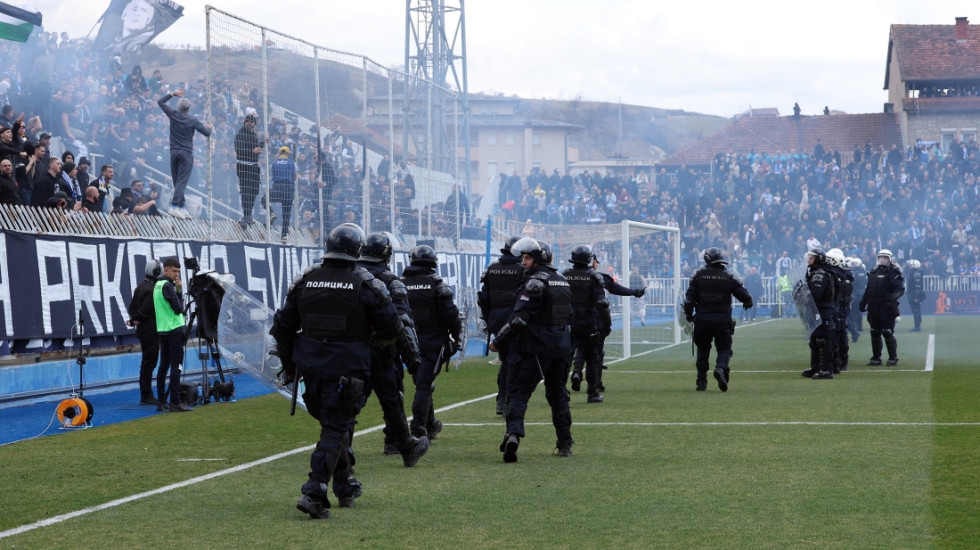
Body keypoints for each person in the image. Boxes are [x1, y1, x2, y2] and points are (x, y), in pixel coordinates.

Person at [270, 224, 402, 519]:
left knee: (334, 426)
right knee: (334, 428)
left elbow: (282, 328)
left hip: (311, 371)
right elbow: (393, 328)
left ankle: (344, 484)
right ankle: (314, 491)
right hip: (348, 369)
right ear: (357, 250)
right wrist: (368, 347)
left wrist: (290, 367)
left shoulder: (306, 280)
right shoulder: (365, 284)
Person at [489, 238, 573, 461]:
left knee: (519, 392)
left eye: (527, 258)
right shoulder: (562, 280)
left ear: (538, 260)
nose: (523, 262)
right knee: (558, 394)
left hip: (535, 347)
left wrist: (498, 341)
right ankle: (565, 442)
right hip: (561, 347)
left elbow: (519, 319)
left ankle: (513, 435)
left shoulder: (535, 282)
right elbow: (569, 315)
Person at [356, 231, 430, 466]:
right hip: (382, 350)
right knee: (392, 399)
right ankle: (400, 445)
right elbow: (403, 324)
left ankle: (341, 450)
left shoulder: (349, 276)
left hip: (351, 352)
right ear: (387, 255)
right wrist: (414, 360)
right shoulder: (390, 281)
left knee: (350, 402)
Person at [401, 244, 462, 440]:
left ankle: (430, 423)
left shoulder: (400, 284)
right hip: (432, 342)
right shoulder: (437, 285)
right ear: (433, 263)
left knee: (422, 381)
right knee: (424, 384)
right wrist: (457, 337)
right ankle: (418, 428)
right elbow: (451, 314)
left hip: (408, 342)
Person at [682, 247, 753, 391]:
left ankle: (701, 382)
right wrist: (748, 303)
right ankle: (720, 368)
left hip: (702, 319)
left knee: (703, 349)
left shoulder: (698, 276)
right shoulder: (728, 276)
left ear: (706, 259)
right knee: (724, 348)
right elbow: (745, 295)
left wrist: (688, 316)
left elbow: (689, 300)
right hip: (722, 320)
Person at [477, 235, 524, 415]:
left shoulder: (491, 269)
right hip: (515, 320)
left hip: (496, 320)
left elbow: (483, 299)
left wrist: (490, 321)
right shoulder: (523, 270)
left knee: (505, 360)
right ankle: (507, 401)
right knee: (513, 361)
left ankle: (501, 400)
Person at [562, 244, 611, 403]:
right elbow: (602, 303)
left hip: (569, 322)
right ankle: (592, 392)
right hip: (588, 322)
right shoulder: (593, 276)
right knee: (592, 358)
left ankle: (562, 391)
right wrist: (607, 324)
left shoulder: (564, 275)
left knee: (565, 358)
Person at [158, 87, 212, 219]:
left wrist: (172, 94)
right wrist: (210, 128)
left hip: (174, 152)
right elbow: (207, 133)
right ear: (189, 108)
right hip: (186, 153)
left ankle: (181, 208)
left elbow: (160, 102)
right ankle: (174, 206)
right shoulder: (193, 120)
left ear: (179, 107)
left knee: (177, 181)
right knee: (182, 182)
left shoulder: (173, 114)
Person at [153, 257, 191, 411]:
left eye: (178, 272)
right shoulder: (168, 286)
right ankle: (175, 401)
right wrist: (179, 291)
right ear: (166, 270)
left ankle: (161, 401)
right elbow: (178, 309)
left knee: (163, 366)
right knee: (176, 366)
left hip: (163, 330)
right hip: (174, 330)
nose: (177, 275)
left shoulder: (157, 285)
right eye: (174, 271)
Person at [859, 250, 905, 366]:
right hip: (873, 307)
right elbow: (868, 290)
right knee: (874, 332)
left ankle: (893, 358)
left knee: (887, 332)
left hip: (886, 307)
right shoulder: (873, 271)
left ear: (890, 259)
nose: (882, 259)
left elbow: (900, 289)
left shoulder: (894, 271)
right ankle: (876, 358)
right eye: (880, 257)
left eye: (885, 257)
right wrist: (863, 303)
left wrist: (892, 298)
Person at [129, 259, 161, 405]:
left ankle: (146, 393)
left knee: (147, 363)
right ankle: (146, 394)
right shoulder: (152, 289)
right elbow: (146, 309)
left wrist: (135, 319)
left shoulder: (141, 286)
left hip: (144, 331)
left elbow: (131, 308)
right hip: (150, 331)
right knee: (149, 363)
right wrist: (138, 318)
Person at [801, 249, 838, 380]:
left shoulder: (820, 274)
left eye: (811, 258)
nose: (809, 260)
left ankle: (826, 370)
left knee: (823, 339)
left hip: (822, 310)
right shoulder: (816, 272)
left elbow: (816, 294)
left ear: (818, 259)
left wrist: (804, 294)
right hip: (817, 310)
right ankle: (816, 367)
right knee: (815, 339)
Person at [234, 113, 264, 227]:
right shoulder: (240, 135)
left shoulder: (254, 134)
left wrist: (263, 143)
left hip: (254, 167)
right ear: (244, 122)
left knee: (254, 191)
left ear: (254, 124)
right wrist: (252, 151)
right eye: (247, 121)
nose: (249, 123)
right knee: (246, 191)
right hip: (243, 166)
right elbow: (239, 151)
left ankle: (249, 215)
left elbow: (256, 148)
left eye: (251, 122)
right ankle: (246, 215)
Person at [826, 248, 853, 372]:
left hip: (836, 308)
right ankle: (843, 360)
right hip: (843, 308)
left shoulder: (835, 276)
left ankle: (837, 361)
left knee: (836, 334)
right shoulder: (846, 275)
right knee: (842, 333)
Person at [270, 146, 296, 242]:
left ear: (279, 153)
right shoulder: (292, 163)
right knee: (286, 213)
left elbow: (273, 175)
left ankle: (271, 213)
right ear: (288, 154)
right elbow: (294, 177)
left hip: (277, 188)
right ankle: (284, 236)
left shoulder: (273, 163)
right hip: (288, 189)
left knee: (264, 199)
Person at [906, 259, 925, 332]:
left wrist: (916, 297)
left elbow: (917, 286)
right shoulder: (914, 273)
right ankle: (917, 326)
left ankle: (917, 327)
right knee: (916, 310)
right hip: (913, 294)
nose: (909, 266)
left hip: (915, 294)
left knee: (916, 310)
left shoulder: (916, 274)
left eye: (911, 265)